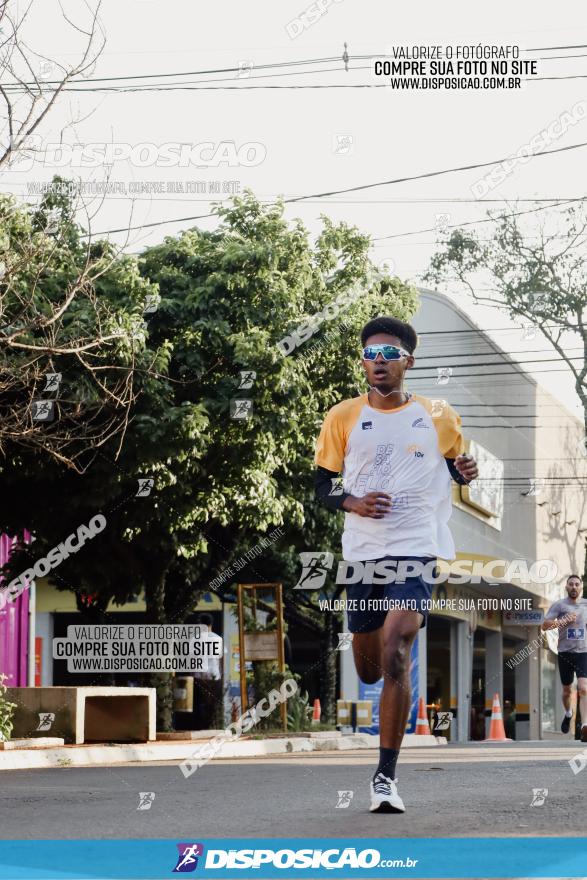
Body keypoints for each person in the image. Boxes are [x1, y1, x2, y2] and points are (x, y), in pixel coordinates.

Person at [314, 316, 478, 813]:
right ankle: (375, 667)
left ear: (409, 360)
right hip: (363, 552)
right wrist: (355, 502)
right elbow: (323, 488)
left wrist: (467, 470)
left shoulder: (439, 413)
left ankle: (385, 776)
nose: (378, 363)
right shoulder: (341, 416)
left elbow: (455, 465)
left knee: (398, 647)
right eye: (370, 354)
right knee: (368, 666)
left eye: (388, 354)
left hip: (417, 545)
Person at [542, 574, 587, 741]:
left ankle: (584, 726)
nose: (574, 587)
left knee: (583, 688)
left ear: (581, 587)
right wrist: (563, 622)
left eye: (577, 584)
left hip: (583, 652)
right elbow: (545, 626)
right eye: (571, 584)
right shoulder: (560, 605)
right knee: (567, 690)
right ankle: (568, 713)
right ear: (566, 587)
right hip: (565, 652)